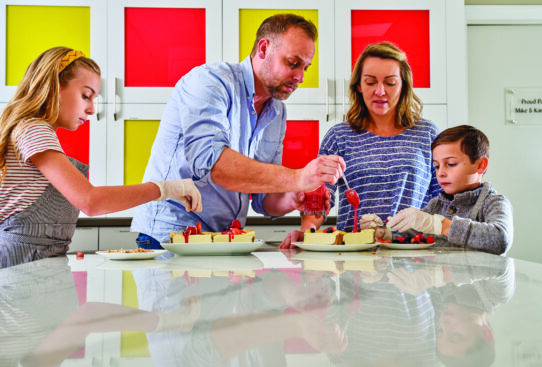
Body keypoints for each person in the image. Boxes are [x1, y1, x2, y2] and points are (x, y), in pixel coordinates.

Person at [131, 13, 346, 249]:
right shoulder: (210, 82)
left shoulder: (277, 112)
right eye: (293, 63)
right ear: (263, 49)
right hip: (169, 235)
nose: (301, 77)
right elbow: (213, 166)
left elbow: (264, 201)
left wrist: (294, 197)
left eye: (305, 67)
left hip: (226, 239)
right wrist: (298, 177)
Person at [0, 47, 202, 267]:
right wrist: (167, 189)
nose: (91, 109)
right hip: (20, 267)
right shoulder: (34, 130)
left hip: (38, 266)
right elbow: (91, 201)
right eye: (86, 96)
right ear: (54, 88)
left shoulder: (30, 131)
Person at [280, 41, 441, 248]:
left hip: (413, 253)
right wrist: (307, 232)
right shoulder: (339, 136)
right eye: (371, 82)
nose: (380, 91)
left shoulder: (426, 133)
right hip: (354, 252)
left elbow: (442, 199)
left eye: (390, 83)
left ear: (403, 86)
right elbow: (318, 198)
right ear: (359, 86)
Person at [387, 125, 513, 255]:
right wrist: (386, 234)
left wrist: (442, 225)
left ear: (480, 165)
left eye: (451, 164)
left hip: (479, 275)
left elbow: (500, 239)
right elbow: (406, 238)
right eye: (436, 166)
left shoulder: (494, 202)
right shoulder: (435, 205)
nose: (440, 173)